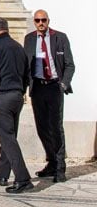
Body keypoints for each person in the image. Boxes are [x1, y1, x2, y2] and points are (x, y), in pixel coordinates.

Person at [0, 16, 32, 193]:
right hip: (17, 96)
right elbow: (27, 73)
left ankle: (23, 178)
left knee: (7, 138)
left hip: (1, 98)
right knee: (8, 136)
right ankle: (2, 174)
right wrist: (22, 91)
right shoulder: (18, 47)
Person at [24, 10, 75, 182]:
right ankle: (52, 162)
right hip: (38, 87)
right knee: (42, 127)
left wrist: (63, 84)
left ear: (48, 21)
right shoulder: (29, 39)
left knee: (56, 127)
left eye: (43, 20)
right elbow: (26, 64)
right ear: (34, 22)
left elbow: (70, 65)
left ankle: (60, 167)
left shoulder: (60, 37)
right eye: (37, 20)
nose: (40, 23)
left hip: (54, 86)